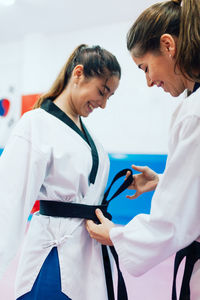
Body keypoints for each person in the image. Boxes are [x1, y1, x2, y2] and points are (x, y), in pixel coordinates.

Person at [86, 0, 200, 299]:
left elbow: (172, 224)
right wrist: (168, 180)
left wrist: (116, 235)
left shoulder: (195, 113)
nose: (149, 82)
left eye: (145, 67)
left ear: (168, 45)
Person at [0, 44, 121, 300]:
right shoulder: (35, 124)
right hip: (53, 252)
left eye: (109, 97)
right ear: (78, 73)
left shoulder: (91, 139)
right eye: (102, 92)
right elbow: (7, 203)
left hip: (88, 254)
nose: (103, 104)